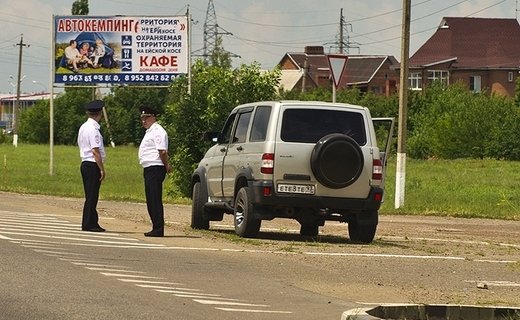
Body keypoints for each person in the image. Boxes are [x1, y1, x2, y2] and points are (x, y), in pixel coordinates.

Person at [138, 106, 171, 237]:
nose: (143, 121)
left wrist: (167, 165)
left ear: (153, 117)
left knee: (155, 198)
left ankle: (158, 228)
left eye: (146, 118)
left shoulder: (158, 131)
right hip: (149, 167)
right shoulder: (150, 131)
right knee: (150, 199)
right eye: (142, 118)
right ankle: (155, 226)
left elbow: (162, 151)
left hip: (155, 167)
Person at [77, 100, 106, 232]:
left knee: (91, 195)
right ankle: (88, 223)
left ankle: (92, 221)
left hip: (85, 163)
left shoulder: (83, 127)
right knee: (92, 196)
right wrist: (101, 169)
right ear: (99, 114)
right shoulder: (93, 129)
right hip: (92, 164)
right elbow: (95, 151)